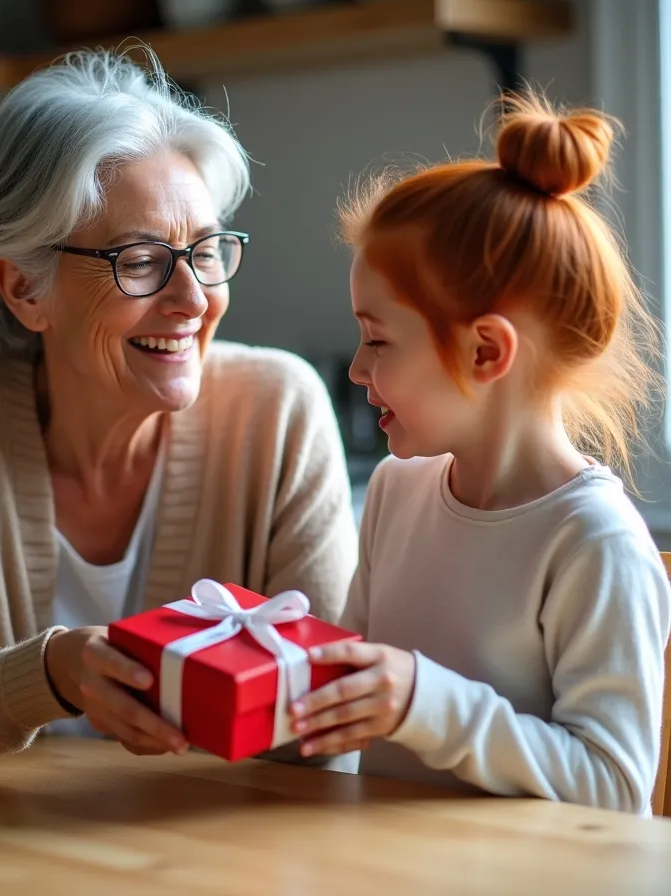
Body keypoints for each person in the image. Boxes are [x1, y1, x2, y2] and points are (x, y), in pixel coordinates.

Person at [0, 49, 357, 775]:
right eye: (143, 259)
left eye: (207, 251)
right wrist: (52, 675)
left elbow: (328, 724)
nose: (193, 300)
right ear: (25, 287)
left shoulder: (278, 410)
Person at [288, 93, 671, 815]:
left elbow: (616, 792)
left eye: (378, 340)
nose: (357, 371)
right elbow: (339, 704)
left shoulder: (595, 543)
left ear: (486, 350)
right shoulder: (397, 494)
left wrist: (425, 703)